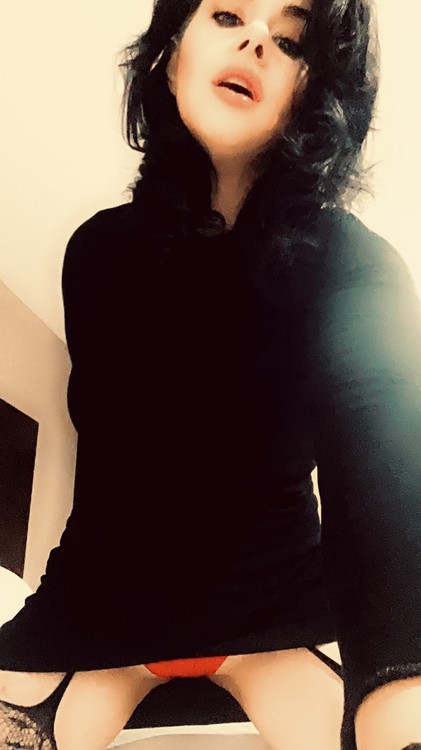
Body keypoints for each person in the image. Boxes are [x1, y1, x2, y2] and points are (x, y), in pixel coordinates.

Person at [0, 0, 420, 748]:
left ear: (315, 97)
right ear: (169, 56)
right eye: (228, 15)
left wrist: (399, 682)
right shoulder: (94, 256)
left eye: (290, 40)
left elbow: (385, 483)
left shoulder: (355, 266)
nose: (256, 40)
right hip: (90, 614)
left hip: (285, 620)